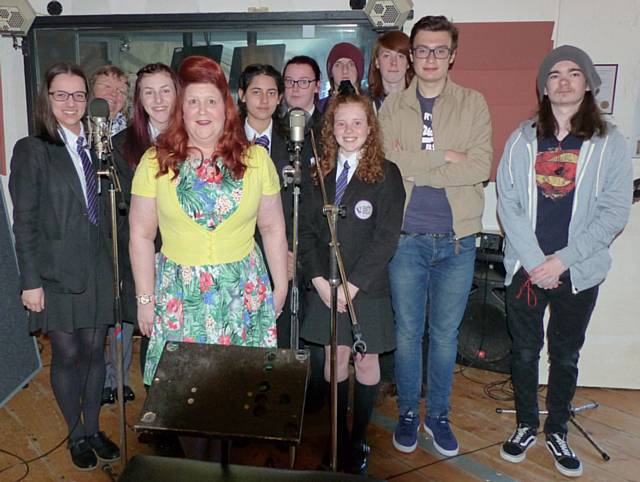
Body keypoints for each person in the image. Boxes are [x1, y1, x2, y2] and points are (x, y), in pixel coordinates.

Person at [497, 45, 632, 478]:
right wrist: (537, 261)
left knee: (566, 354)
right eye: (555, 74)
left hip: (578, 270)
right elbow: (509, 203)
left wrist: (563, 260)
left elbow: (615, 211)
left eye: (574, 73)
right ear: (544, 86)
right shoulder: (522, 139)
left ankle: (556, 429)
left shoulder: (609, 142)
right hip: (528, 270)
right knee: (524, 352)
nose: (564, 80)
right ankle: (524, 425)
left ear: (587, 83)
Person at [129, 54, 287, 386]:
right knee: (183, 395)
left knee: (234, 394)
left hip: (243, 293)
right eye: (193, 102)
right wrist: (145, 300)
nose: (202, 111)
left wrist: (281, 285)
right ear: (181, 110)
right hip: (179, 295)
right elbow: (142, 236)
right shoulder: (153, 162)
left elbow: (272, 228)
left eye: (211, 101)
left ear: (225, 108)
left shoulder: (256, 159)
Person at [378, 15, 493, 457]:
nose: (430, 58)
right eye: (422, 50)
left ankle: (438, 416)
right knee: (408, 335)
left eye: (439, 50)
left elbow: (479, 167)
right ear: (411, 55)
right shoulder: (393, 107)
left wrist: (418, 160)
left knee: (445, 337)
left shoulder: (474, 104)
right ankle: (408, 413)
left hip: (457, 241)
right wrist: (445, 156)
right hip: (405, 238)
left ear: (452, 55)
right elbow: (389, 164)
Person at [9, 62, 119, 471]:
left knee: (95, 353)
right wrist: (30, 281)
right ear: (47, 99)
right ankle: (74, 434)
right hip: (55, 275)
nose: (71, 103)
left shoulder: (96, 149)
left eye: (78, 95)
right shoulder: (32, 149)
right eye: (61, 95)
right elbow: (25, 222)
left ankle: (93, 428)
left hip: (96, 268)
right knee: (69, 354)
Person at [299, 89, 405, 473]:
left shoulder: (386, 174)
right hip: (325, 287)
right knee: (335, 356)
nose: (349, 130)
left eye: (357, 122)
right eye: (341, 123)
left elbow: (386, 236)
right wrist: (319, 281)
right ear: (331, 128)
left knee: (365, 360)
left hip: (367, 287)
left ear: (370, 128)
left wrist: (353, 285)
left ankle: (358, 438)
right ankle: (336, 436)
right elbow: (307, 234)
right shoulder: (319, 175)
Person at [101, 63, 178, 406]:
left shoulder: (196, 137)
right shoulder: (122, 147)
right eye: (149, 91)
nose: (158, 99)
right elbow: (117, 214)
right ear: (139, 99)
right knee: (152, 338)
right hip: (145, 259)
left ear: (178, 93)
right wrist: (147, 250)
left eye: (165, 90)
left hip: (188, 259)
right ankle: (156, 411)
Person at [368, 31, 413, 113]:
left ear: (408, 63)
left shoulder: (421, 104)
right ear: (377, 62)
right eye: (386, 56)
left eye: (400, 56)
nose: (393, 63)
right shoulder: (366, 107)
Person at [317, 42, 365, 113]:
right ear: (331, 72)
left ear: (359, 71)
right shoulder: (320, 108)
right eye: (338, 65)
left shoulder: (372, 106)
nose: (345, 70)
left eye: (351, 64)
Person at [91, 65, 129, 136]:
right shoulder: (76, 129)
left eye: (121, 91)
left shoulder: (135, 135)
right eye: (107, 86)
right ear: (92, 90)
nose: (113, 93)